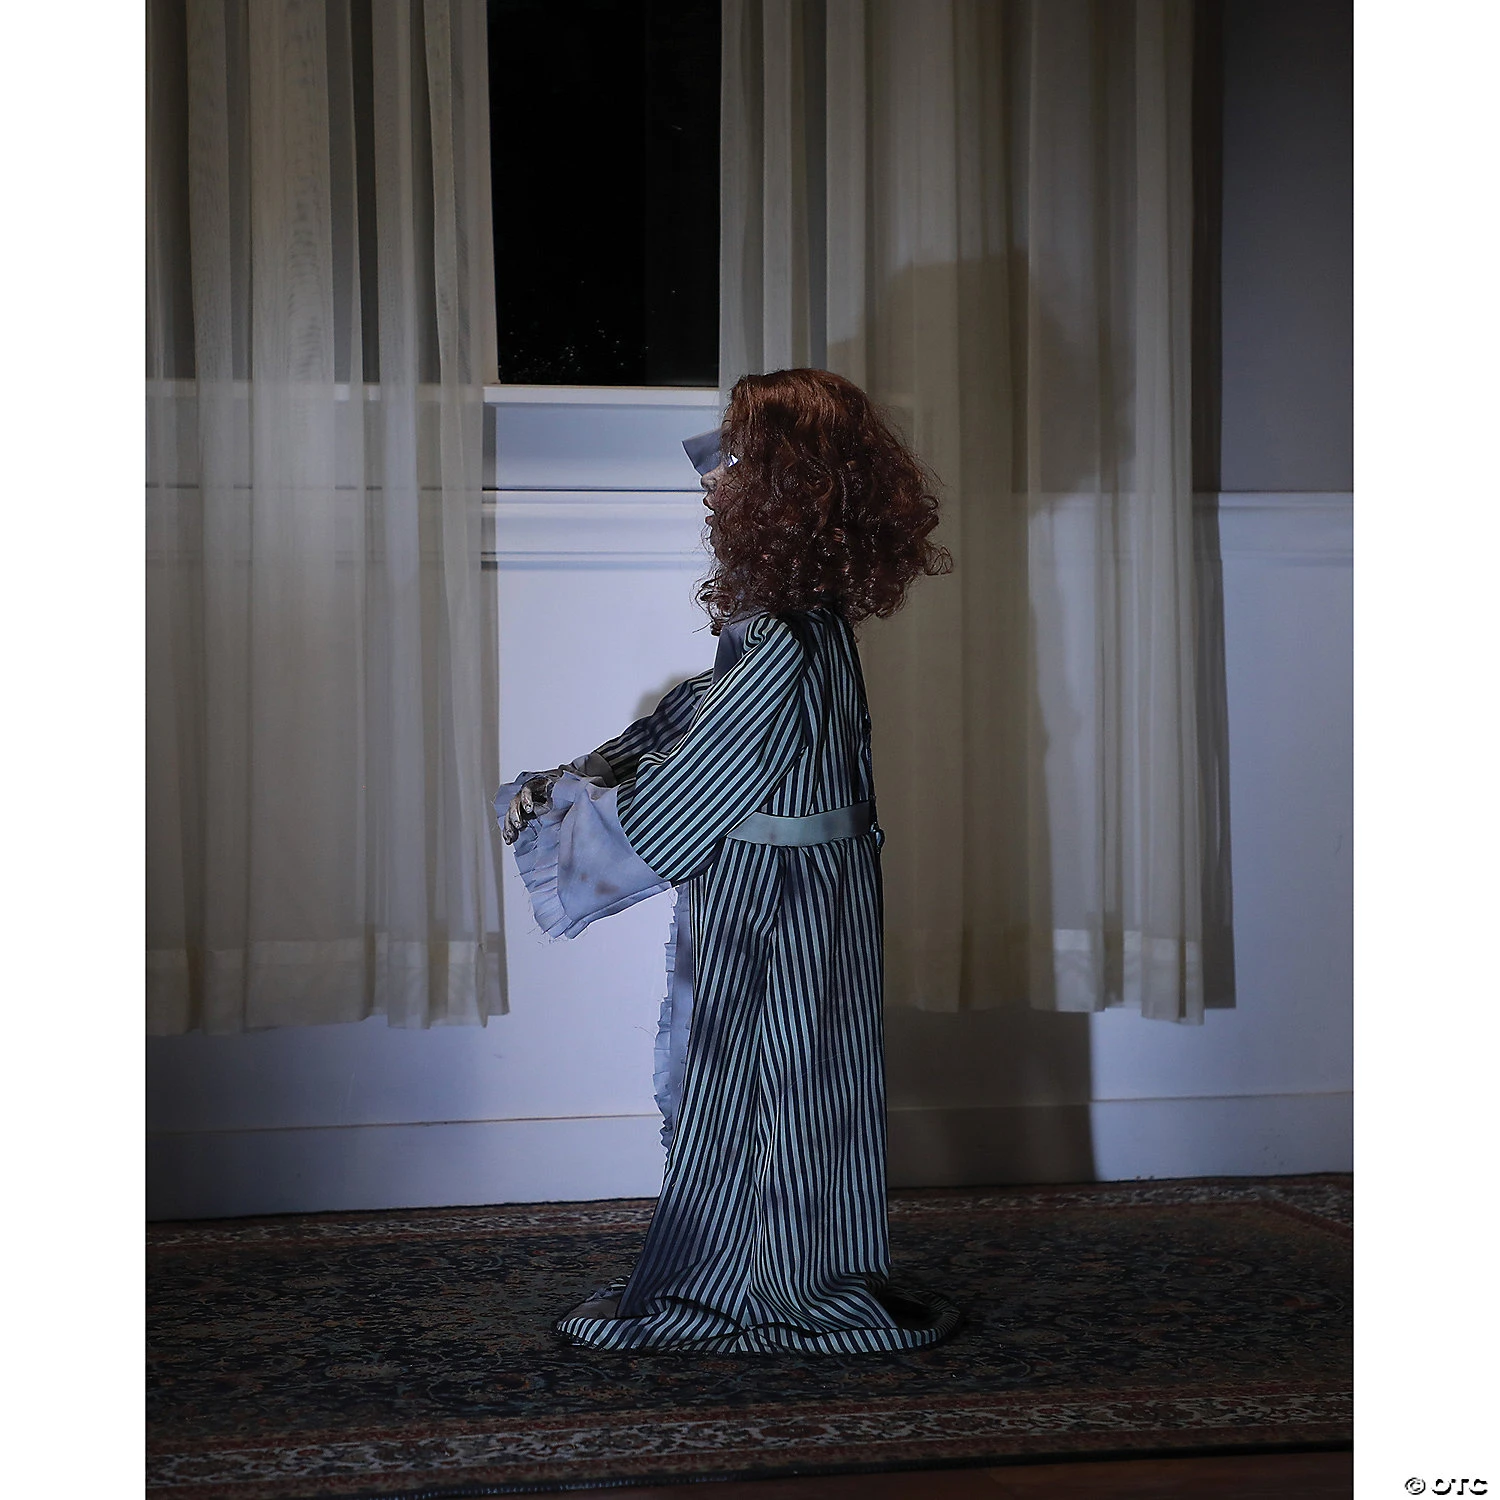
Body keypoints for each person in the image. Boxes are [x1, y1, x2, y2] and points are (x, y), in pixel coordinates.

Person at [495, 367, 956, 1353]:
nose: (712, 481)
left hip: (774, 906)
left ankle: (751, 1283)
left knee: (756, 1080)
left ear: (783, 490)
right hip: (819, 891)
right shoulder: (809, 624)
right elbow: (695, 721)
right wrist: (590, 770)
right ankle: (800, 1263)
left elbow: (695, 785)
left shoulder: (783, 637)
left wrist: (566, 814)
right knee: (803, 1078)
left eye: (736, 462)